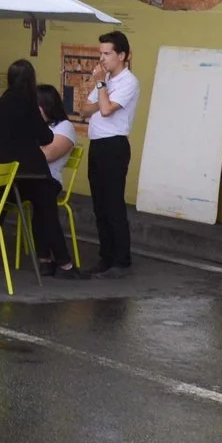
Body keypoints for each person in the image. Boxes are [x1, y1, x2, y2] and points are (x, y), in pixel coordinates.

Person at [0, 59, 75, 275]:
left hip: (5, 172)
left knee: (38, 208)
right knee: (47, 210)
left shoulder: (1, 103)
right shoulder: (27, 104)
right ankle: (63, 263)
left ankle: (46, 260)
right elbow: (46, 136)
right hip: (30, 171)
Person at [81, 30, 139, 276]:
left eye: (107, 53)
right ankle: (106, 255)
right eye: (101, 53)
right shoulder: (104, 80)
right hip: (97, 144)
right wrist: (102, 93)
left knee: (113, 203)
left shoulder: (128, 81)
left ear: (122, 55)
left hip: (114, 145)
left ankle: (121, 258)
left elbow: (105, 111)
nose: (102, 59)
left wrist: (101, 86)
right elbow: (85, 109)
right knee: (99, 204)